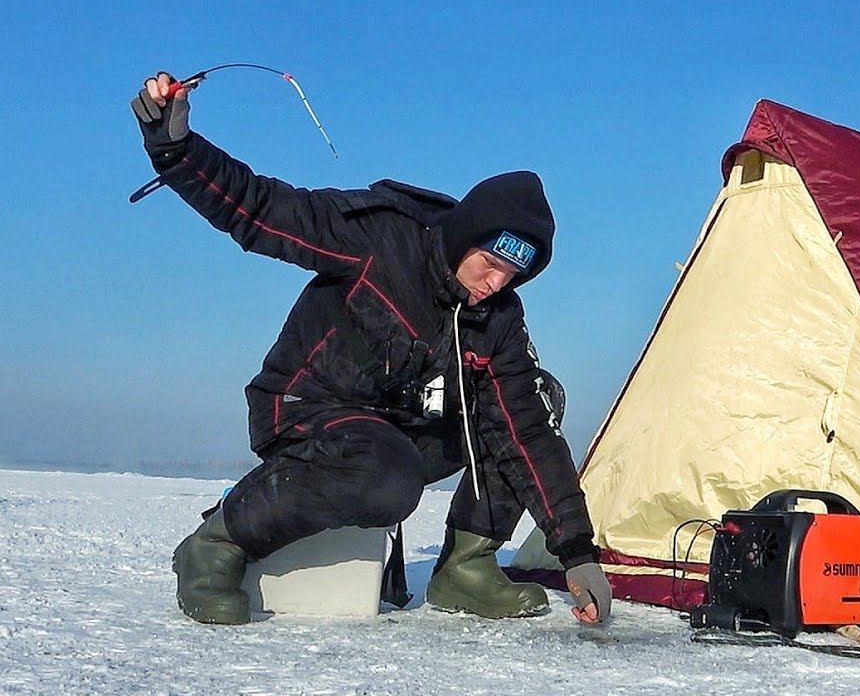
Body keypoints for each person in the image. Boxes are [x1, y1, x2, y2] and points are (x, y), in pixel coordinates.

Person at [130, 71, 611, 626]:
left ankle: (466, 566)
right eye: (491, 264)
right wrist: (174, 149)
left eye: (513, 276)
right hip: (308, 410)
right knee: (386, 471)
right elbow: (258, 208)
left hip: (396, 432)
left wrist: (576, 553)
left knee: (535, 398)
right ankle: (216, 542)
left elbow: (527, 432)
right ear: (467, 236)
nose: (495, 284)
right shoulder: (378, 240)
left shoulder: (495, 319)